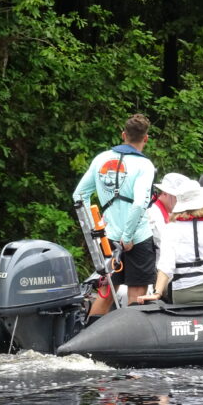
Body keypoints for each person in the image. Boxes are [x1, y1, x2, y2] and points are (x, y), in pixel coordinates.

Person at [72, 113, 156, 316]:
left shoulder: (101, 159)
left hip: (107, 236)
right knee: (137, 293)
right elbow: (139, 204)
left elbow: (79, 195)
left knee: (106, 292)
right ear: (145, 138)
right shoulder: (144, 165)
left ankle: (87, 341)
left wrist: (94, 229)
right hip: (138, 237)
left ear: (123, 134)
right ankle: (132, 342)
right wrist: (127, 237)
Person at [147, 172, 190, 250]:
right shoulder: (154, 214)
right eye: (177, 197)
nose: (180, 201)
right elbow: (165, 244)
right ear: (165, 193)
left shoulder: (169, 212)